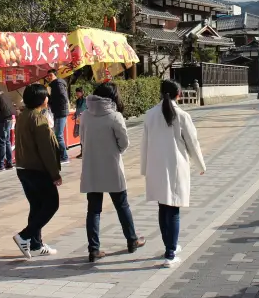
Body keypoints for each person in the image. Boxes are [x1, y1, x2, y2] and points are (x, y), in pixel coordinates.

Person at [142, 80, 206, 268]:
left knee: (163, 208)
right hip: (176, 166)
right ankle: (170, 254)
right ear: (179, 94)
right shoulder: (182, 115)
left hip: (156, 166)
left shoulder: (150, 115)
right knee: (174, 209)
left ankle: (169, 247)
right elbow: (192, 143)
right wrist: (200, 165)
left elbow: (144, 145)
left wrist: (144, 168)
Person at [80, 82, 146, 262]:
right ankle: (132, 240)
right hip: (112, 166)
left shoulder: (85, 115)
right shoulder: (115, 116)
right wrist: (113, 151)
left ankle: (93, 249)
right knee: (122, 205)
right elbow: (124, 143)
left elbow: (82, 140)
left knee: (93, 210)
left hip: (91, 167)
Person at [13, 83, 62, 259]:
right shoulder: (37, 118)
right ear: (41, 99)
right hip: (37, 169)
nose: (48, 99)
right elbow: (46, 150)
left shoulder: (24, 115)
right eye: (46, 96)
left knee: (37, 206)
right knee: (51, 204)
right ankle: (25, 235)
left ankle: (35, 244)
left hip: (23, 168)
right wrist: (55, 174)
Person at [45, 69, 71, 164]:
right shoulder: (53, 85)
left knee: (58, 135)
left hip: (61, 111)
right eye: (48, 76)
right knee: (58, 135)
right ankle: (61, 156)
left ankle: (64, 157)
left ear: (55, 75)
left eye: (50, 75)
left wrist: (62, 107)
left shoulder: (58, 84)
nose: (49, 77)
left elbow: (63, 97)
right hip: (58, 111)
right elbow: (55, 98)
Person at [0, 84, 15, 171]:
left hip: (3, 120)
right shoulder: (3, 95)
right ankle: (9, 163)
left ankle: (1, 164)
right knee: (7, 141)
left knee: (2, 141)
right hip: (9, 118)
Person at [74, 87, 87, 160]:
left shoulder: (86, 100)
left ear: (82, 92)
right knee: (81, 136)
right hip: (79, 120)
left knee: (85, 136)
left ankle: (86, 152)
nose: (76, 93)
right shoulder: (77, 101)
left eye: (78, 92)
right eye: (76, 92)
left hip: (85, 119)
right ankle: (82, 152)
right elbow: (77, 110)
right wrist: (75, 115)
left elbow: (88, 109)